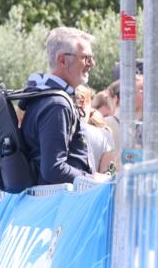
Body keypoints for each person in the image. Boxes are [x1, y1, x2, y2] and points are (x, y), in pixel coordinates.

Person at [21, 27, 106, 186]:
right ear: (62, 60)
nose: (92, 64)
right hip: (57, 198)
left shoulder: (44, 96)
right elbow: (53, 168)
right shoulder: (57, 105)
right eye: (86, 58)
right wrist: (92, 180)